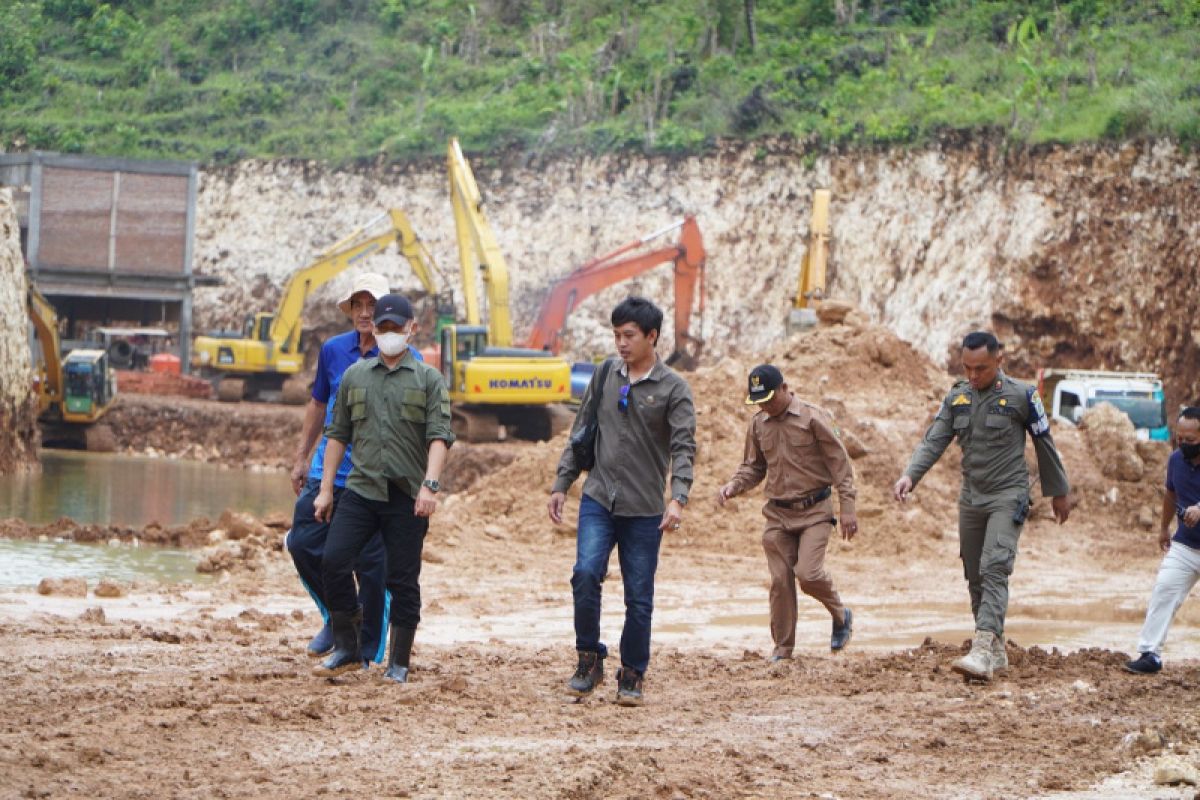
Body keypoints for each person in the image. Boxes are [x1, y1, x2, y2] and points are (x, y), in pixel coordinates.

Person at [893, 331, 1071, 681]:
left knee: (995, 565)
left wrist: (1058, 490)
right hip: (971, 496)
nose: (974, 376)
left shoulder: (1022, 395)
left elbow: (1044, 443)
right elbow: (935, 440)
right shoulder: (957, 397)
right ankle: (997, 647)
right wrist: (909, 476)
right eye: (968, 368)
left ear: (999, 361)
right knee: (974, 572)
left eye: (982, 369)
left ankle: (982, 648)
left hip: (1009, 494)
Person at [548, 296, 696, 706]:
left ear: (652, 336)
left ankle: (632, 672)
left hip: (645, 508)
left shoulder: (674, 389)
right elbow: (583, 430)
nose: (621, 343)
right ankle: (588, 657)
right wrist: (562, 482)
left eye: (629, 335)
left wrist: (678, 498)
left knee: (639, 596)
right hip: (598, 498)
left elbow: (684, 448)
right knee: (584, 574)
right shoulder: (605, 374)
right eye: (616, 335)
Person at [311, 293, 453, 683]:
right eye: (383, 327)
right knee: (334, 562)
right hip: (361, 490)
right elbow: (337, 434)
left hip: (407, 495)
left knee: (402, 579)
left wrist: (430, 486)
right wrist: (325, 489)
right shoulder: (356, 376)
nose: (389, 333)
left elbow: (439, 436)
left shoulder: (428, 379)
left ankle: (399, 661)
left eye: (396, 327)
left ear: (412, 329)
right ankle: (347, 644)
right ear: (374, 330)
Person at [285, 272, 408, 666]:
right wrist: (302, 457)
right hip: (329, 470)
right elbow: (319, 404)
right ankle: (337, 618)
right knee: (303, 542)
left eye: (373, 305)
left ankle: (367, 648)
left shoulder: (406, 357)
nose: (366, 313)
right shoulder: (334, 351)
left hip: (375, 478)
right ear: (351, 310)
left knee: (372, 565)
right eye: (359, 305)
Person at [716, 364, 858, 661]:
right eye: (759, 401)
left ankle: (840, 614)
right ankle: (783, 648)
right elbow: (754, 467)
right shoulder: (758, 424)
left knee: (807, 574)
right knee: (780, 581)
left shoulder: (813, 417)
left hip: (815, 510)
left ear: (784, 388)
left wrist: (848, 508)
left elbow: (840, 464)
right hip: (778, 514)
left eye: (769, 398)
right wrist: (733, 486)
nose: (765, 406)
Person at [1124, 407, 1200, 675]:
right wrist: (1164, 528)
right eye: (1180, 438)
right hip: (1186, 545)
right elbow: (1171, 492)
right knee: (1163, 592)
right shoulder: (1176, 460)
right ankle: (1149, 655)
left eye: (1190, 440)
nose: (1184, 444)